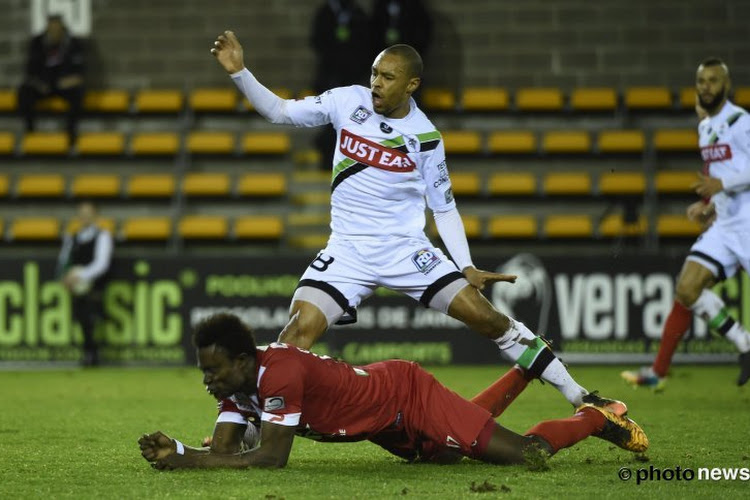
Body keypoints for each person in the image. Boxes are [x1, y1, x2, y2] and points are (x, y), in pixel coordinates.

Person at [210, 31, 619, 411]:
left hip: (407, 250)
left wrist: (466, 265)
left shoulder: (425, 137)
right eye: (374, 73)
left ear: (411, 85)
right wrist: (240, 73)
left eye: (388, 77)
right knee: (293, 338)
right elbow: (279, 111)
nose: (376, 84)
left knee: (488, 319)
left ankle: (579, 394)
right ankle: (249, 425)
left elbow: (444, 207)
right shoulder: (346, 101)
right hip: (347, 250)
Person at [137, 313, 648, 470]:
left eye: (216, 371)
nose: (209, 381)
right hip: (385, 426)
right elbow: (223, 451)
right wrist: (179, 450)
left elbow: (271, 458)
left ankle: (597, 417)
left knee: (527, 456)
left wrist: (188, 462)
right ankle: (522, 374)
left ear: (244, 361)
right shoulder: (239, 389)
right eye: (205, 372)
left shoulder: (279, 373)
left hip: (405, 396)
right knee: (453, 452)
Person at [622, 58, 750, 389]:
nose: (706, 86)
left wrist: (722, 187)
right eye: (701, 81)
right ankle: (743, 344)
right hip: (724, 226)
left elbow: (731, 177)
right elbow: (721, 173)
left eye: (712, 80)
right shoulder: (705, 127)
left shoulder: (740, 121)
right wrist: (709, 205)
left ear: (726, 85)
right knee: (687, 288)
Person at [310, 0, 372, 169]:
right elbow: (317, 41)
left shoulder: (358, 13)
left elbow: (367, 44)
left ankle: (345, 158)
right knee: (330, 120)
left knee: (348, 121)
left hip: (352, 78)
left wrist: (356, 68)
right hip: (329, 78)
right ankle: (327, 155)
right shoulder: (326, 12)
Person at [56, 201, 113, 366]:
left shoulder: (103, 236)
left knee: (92, 318)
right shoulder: (72, 238)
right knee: (80, 319)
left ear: (95, 215)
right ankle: (88, 352)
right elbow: (63, 261)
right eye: (82, 213)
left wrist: (80, 275)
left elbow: (102, 264)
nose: (85, 216)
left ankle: (94, 353)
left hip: (95, 286)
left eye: (88, 213)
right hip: (76, 289)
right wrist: (64, 277)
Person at [18, 14, 86, 143]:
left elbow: (80, 74)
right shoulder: (37, 43)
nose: (55, 32)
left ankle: (71, 133)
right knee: (24, 92)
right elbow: (29, 72)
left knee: (78, 93)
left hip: (64, 86)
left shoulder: (73, 43)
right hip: (43, 86)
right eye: (52, 29)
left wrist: (67, 82)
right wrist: (39, 84)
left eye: (57, 29)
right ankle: (30, 130)